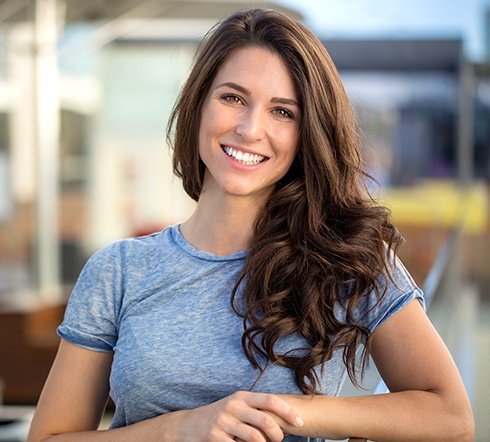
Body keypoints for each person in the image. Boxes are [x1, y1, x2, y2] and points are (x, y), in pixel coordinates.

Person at [28, 8, 474, 442]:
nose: (249, 128)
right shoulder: (119, 271)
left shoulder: (348, 258)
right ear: (199, 103)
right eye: (233, 98)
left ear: (306, 133)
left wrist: (283, 412)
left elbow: (450, 416)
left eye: (282, 111)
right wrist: (182, 428)